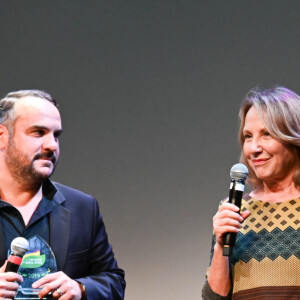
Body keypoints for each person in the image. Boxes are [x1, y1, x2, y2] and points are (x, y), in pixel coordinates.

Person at [0, 90, 125, 299]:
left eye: (55, 135)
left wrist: (80, 288)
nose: (51, 145)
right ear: (2, 137)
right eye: (38, 132)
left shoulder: (82, 207)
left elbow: (113, 281)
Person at [202, 86, 300, 299]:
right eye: (248, 136)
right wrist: (220, 245)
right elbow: (214, 298)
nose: (254, 148)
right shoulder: (234, 210)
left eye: (266, 134)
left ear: (293, 138)